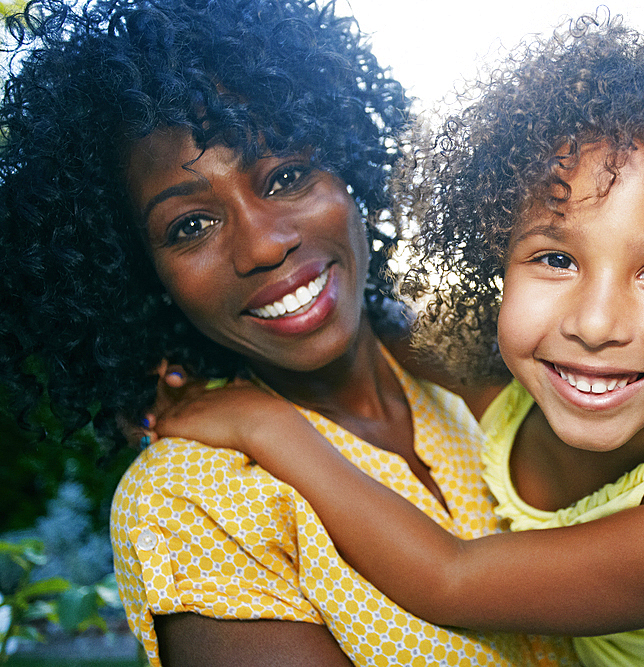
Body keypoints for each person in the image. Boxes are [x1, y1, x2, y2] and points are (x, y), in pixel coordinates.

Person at [147, 2, 644, 666]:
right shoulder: (507, 378)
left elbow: (450, 579)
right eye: (555, 257)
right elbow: (368, 328)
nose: (592, 325)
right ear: (497, 257)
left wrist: (263, 424)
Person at [0, 0, 583, 665]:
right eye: (190, 225)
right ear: (138, 274)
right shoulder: (191, 497)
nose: (263, 245)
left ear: (347, 168)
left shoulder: (466, 388)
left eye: (286, 175)